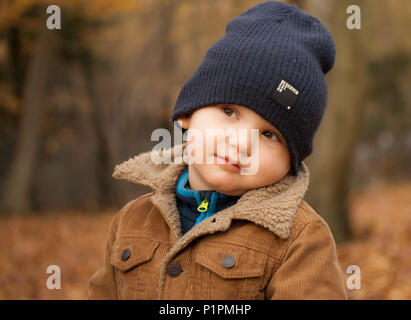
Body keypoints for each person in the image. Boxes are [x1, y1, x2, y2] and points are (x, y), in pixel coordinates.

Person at [87, 1, 348, 300]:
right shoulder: (132, 220)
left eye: (269, 134)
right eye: (229, 111)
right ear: (187, 113)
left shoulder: (301, 239)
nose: (241, 143)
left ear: (291, 160)